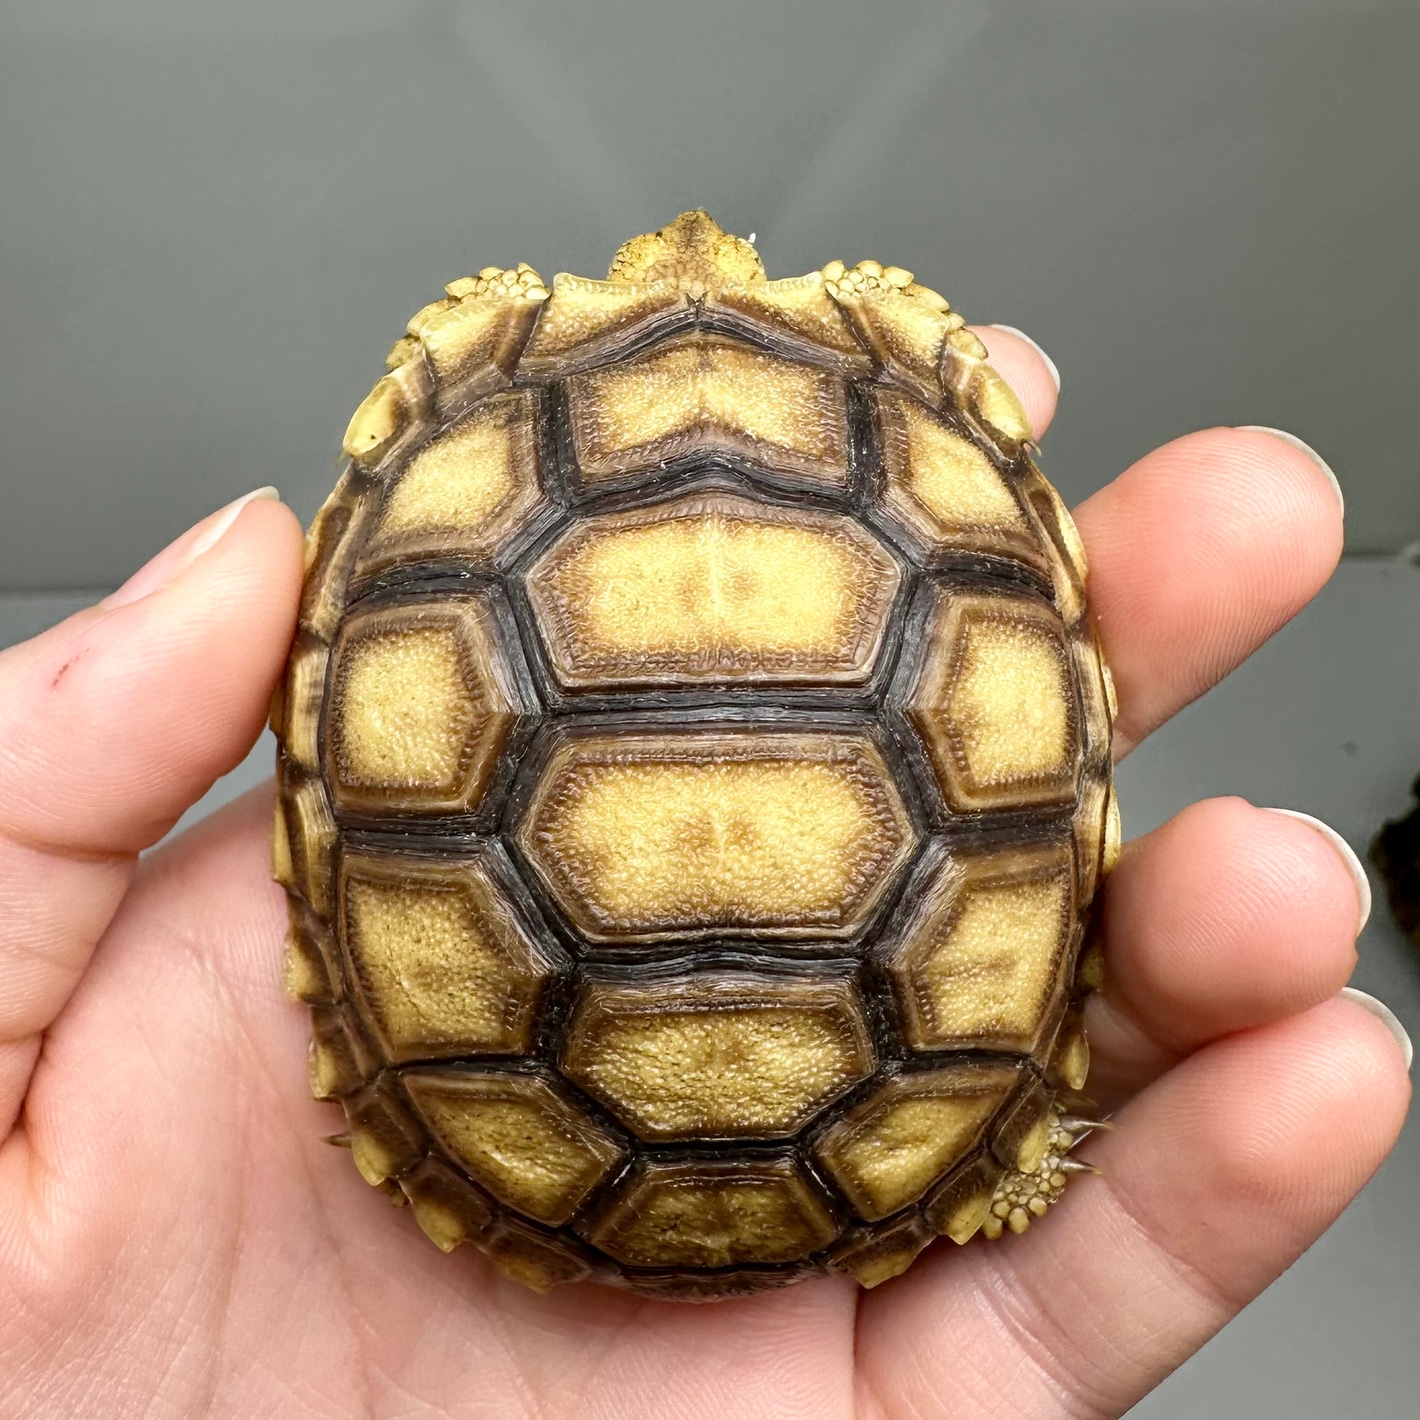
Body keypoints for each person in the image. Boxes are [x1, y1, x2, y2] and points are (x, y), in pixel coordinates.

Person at [0, 328, 1409, 1420]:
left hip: (540, 1157)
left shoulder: (489, 372)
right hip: (869, 1155)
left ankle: (998, 1148)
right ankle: (1003, 1150)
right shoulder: (888, 366)